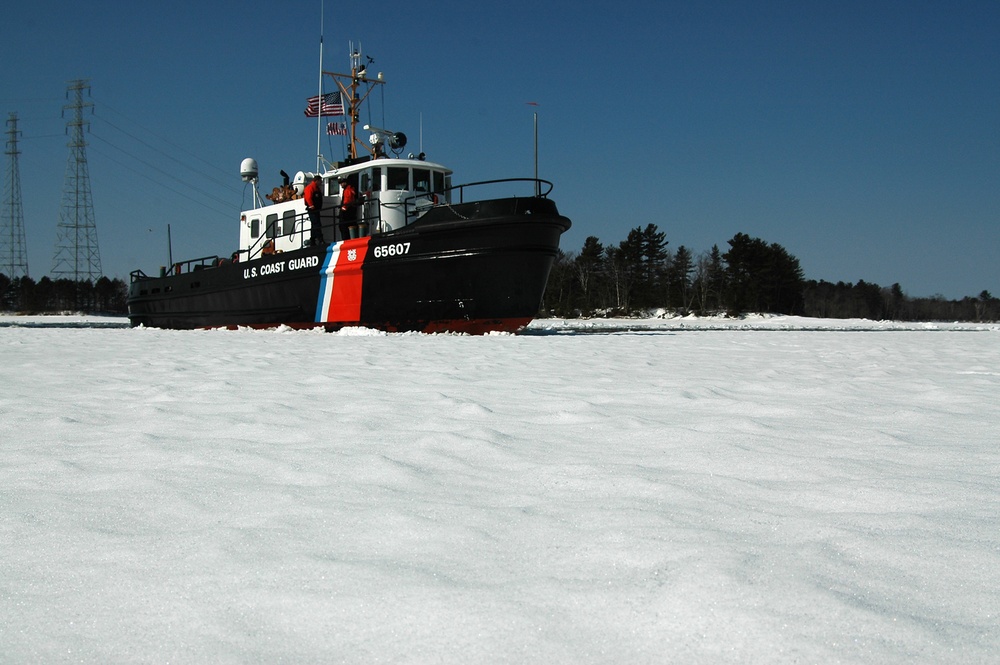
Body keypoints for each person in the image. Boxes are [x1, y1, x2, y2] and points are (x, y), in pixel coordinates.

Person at [303, 175, 324, 246]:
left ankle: (313, 240)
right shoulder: (310, 187)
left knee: (314, 225)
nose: (321, 183)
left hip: (316, 209)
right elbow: (308, 197)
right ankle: (320, 239)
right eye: (320, 181)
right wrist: (311, 205)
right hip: (313, 209)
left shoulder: (316, 188)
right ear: (317, 181)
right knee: (317, 224)